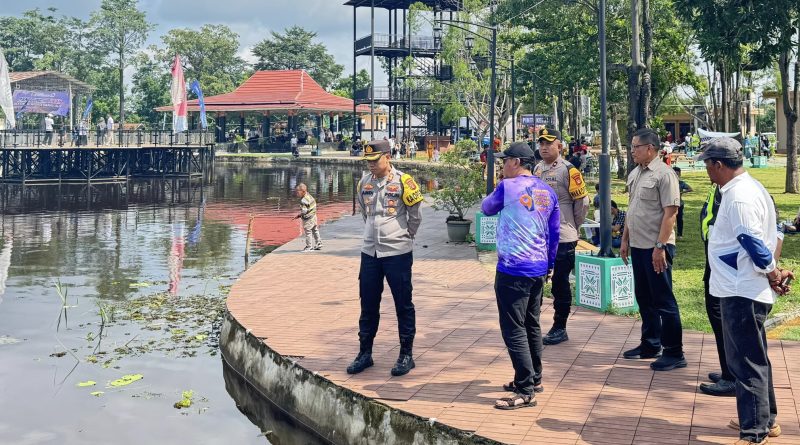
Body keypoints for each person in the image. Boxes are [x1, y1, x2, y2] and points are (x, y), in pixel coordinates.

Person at [698, 137, 794, 444]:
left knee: (745, 362)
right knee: (755, 358)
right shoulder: (746, 188)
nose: (706, 170)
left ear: (719, 165)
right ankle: (767, 420)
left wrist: (773, 272)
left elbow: (752, 241)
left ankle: (754, 432)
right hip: (741, 285)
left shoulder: (738, 196)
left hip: (741, 290)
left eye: (707, 164)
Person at [480, 142, 560, 410]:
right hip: (538, 267)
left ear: (515, 162)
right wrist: (549, 265)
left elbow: (487, 208)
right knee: (531, 324)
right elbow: (554, 232)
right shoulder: (547, 191)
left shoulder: (507, 187)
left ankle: (525, 390)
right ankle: (534, 378)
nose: (503, 166)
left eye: (505, 162)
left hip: (513, 268)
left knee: (514, 329)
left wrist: (496, 186)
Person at [347, 139, 423, 377]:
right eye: (367, 161)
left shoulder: (404, 181)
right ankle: (365, 353)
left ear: (387, 157)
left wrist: (405, 235)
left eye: (374, 160)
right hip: (370, 251)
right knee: (368, 303)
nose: (370, 165)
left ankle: (406, 355)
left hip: (397, 252)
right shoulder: (364, 182)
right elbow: (364, 211)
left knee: (403, 303)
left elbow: (415, 216)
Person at [620, 128, 686, 371]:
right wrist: (625, 240)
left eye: (635, 146)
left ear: (650, 148)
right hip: (638, 245)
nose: (632, 151)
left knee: (663, 300)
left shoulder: (664, 174)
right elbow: (632, 209)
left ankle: (674, 351)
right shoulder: (636, 173)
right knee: (644, 298)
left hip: (656, 247)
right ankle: (650, 343)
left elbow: (671, 213)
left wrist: (660, 247)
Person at [533, 128, 589, 346]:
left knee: (560, 282)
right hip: (540, 235)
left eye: (549, 143)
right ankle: (532, 323)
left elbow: (582, 203)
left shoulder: (569, 170)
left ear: (560, 146)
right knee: (536, 279)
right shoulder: (537, 169)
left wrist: (573, 225)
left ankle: (560, 326)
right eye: (541, 143)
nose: (544, 147)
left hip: (563, 235)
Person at [294, 183, 322, 252]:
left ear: (303, 192)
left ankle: (309, 246)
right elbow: (314, 204)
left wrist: (299, 215)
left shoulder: (303, 200)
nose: (297, 194)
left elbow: (304, 211)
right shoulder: (309, 196)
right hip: (314, 216)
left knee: (308, 232)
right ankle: (319, 243)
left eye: (298, 192)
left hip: (308, 218)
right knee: (315, 230)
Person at [673, 167, 693, 238]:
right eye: (675, 174)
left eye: (678, 174)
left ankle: (679, 235)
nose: (676, 176)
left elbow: (690, 189)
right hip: (670, 204)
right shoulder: (669, 183)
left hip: (679, 204)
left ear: (680, 174)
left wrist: (682, 192)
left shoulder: (681, 183)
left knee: (679, 219)